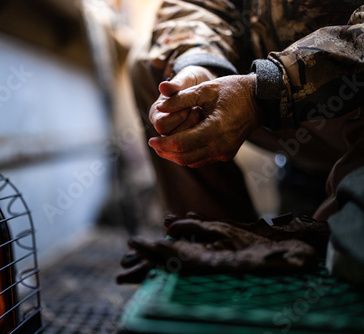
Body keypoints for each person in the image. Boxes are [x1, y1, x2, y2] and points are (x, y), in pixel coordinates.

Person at [117, 1, 364, 284]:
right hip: (295, 116)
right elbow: (199, 5)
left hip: (352, 101)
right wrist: (199, 61)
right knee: (150, 63)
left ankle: (315, 232)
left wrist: (265, 91)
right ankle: (216, 244)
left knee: (349, 259)